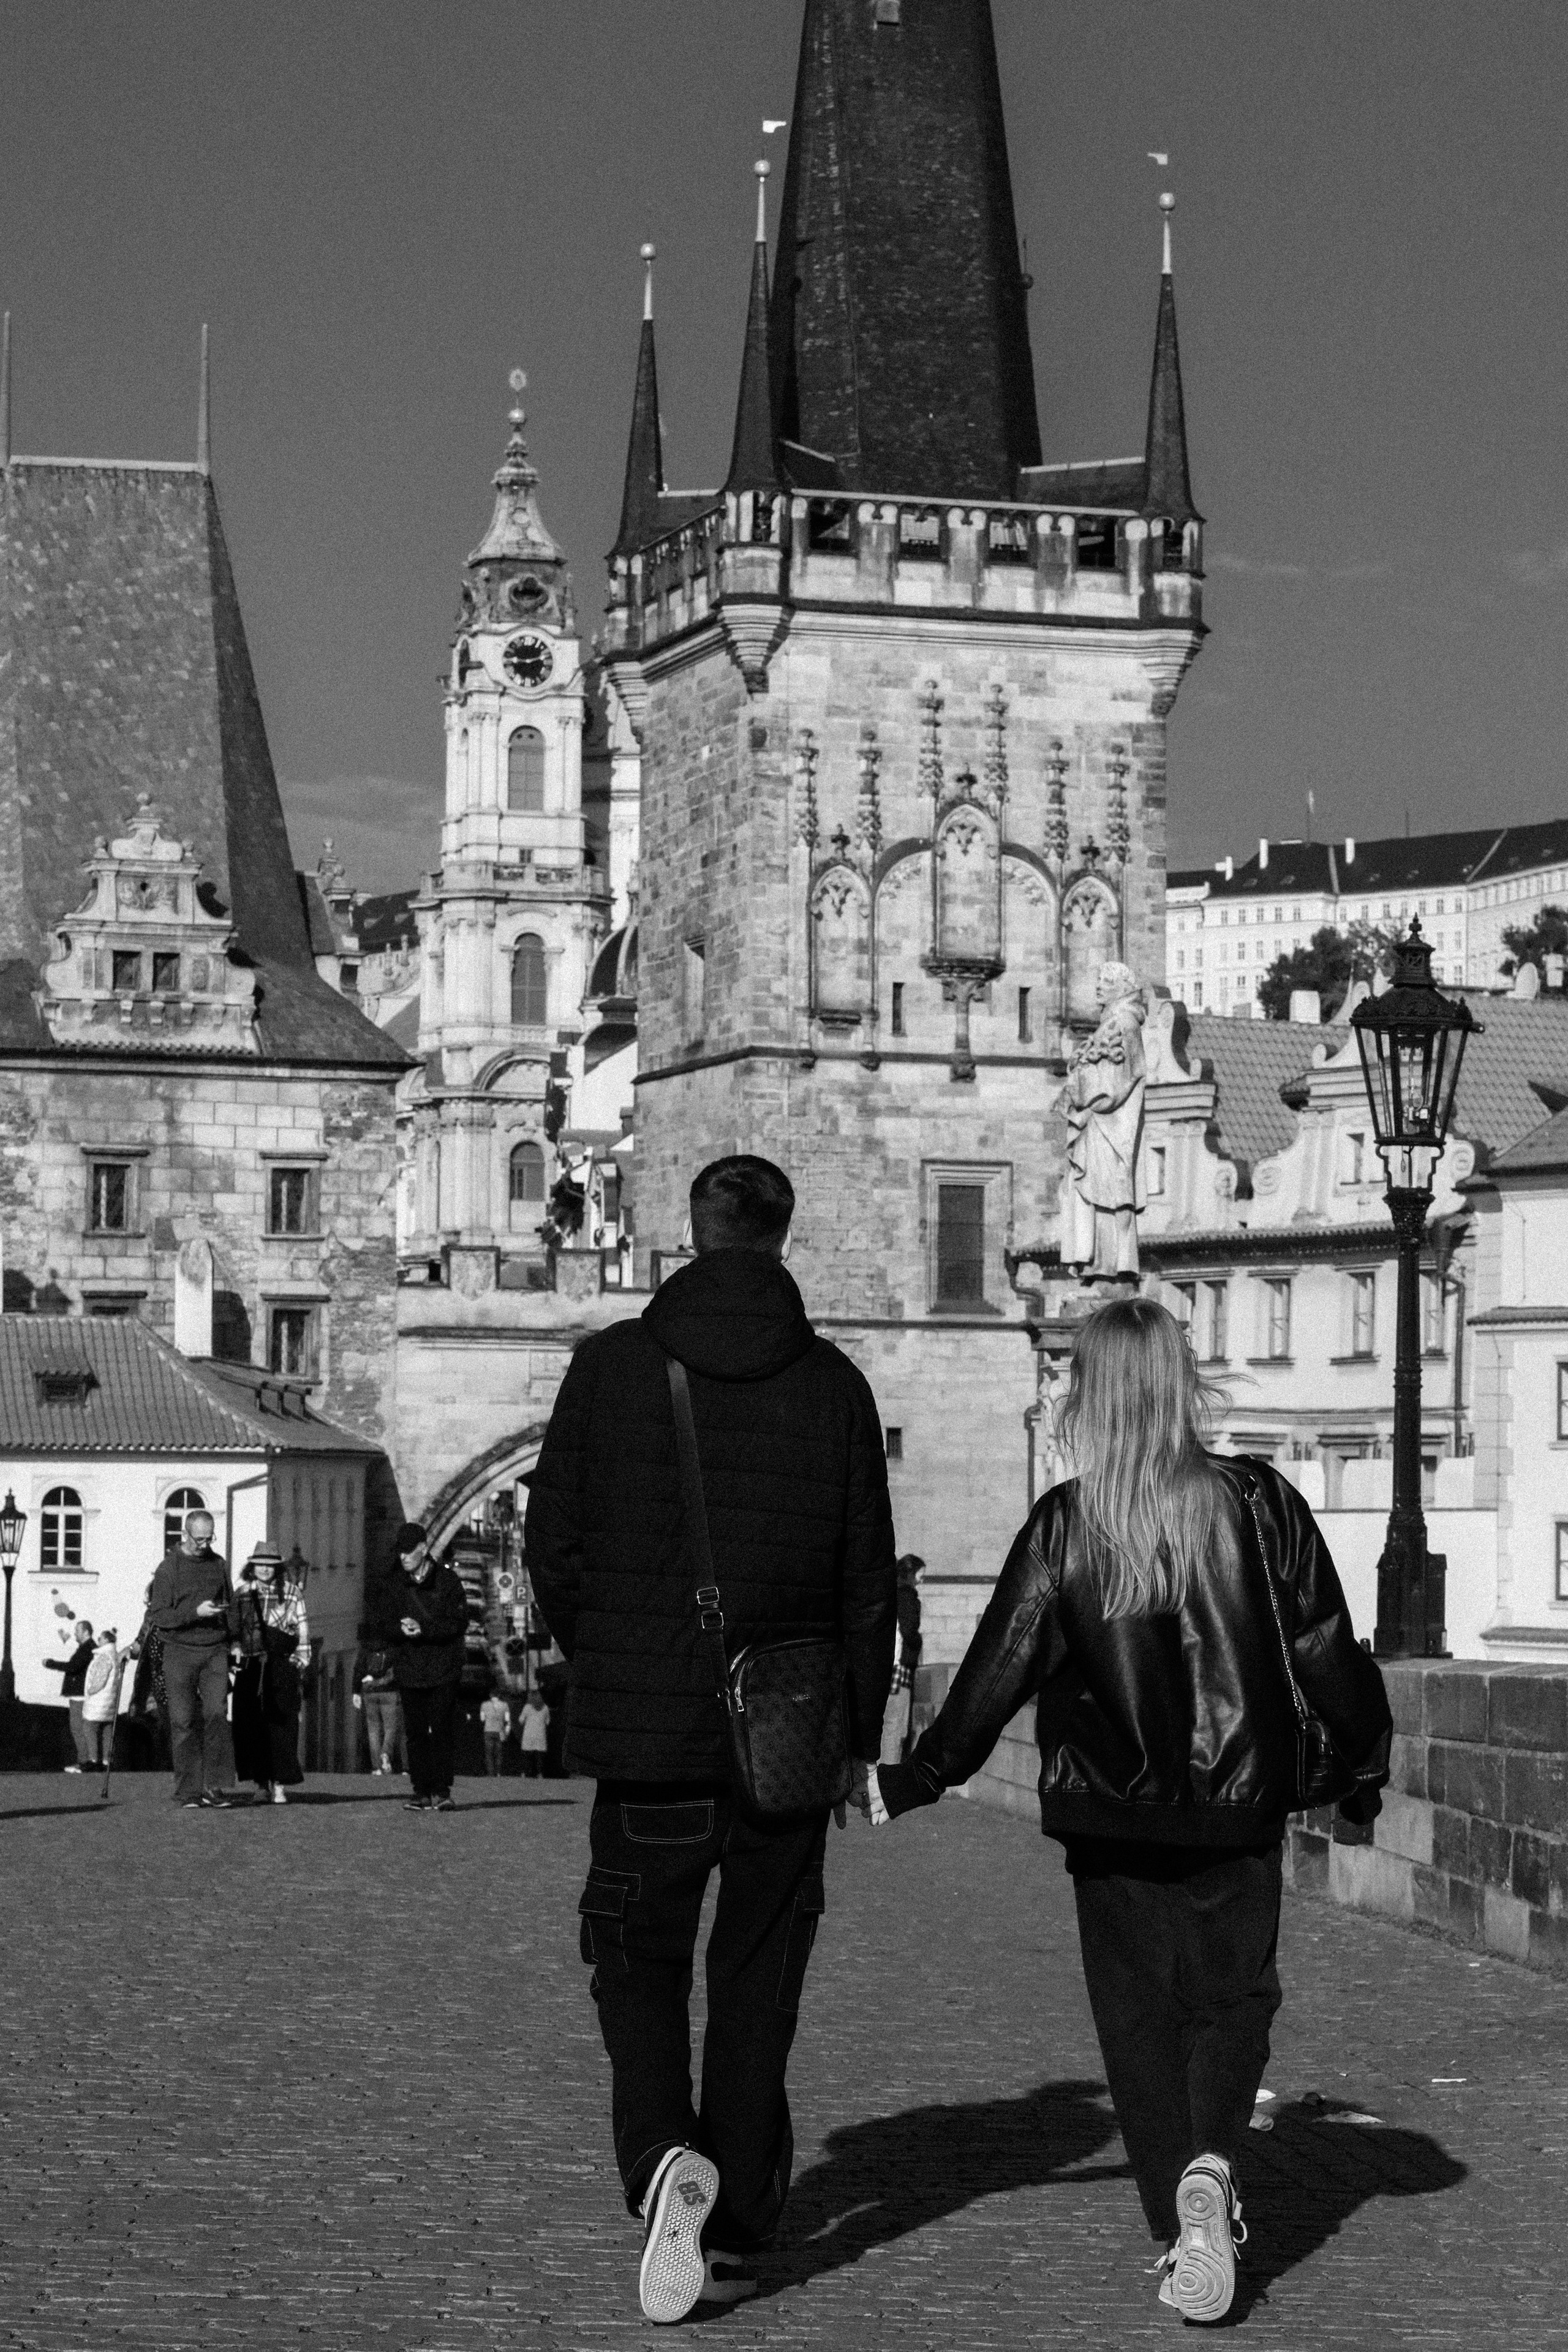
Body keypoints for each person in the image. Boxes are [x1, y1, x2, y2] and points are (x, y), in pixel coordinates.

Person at [872, 1297, 1392, 2325]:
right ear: (1180, 1383)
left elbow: (999, 1667)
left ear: (1089, 1397)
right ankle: (1211, 2161)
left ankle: (1181, 2216)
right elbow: (1326, 1647)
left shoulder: (1067, 1521)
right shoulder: (1257, 1503)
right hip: (1237, 1802)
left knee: (1137, 2016)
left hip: (1107, 1816)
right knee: (1233, 2000)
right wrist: (1363, 1765)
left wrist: (920, 1775)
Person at [526, 1153, 897, 2324]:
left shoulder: (607, 1369)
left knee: (633, 1959)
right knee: (757, 1975)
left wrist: (610, 1661)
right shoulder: (836, 1386)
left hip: (648, 1742)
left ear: (689, 1229)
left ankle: (660, 2163)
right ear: (787, 1235)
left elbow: (552, 1547)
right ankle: (733, 2221)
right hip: (784, 1741)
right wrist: (857, 1736)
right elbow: (866, 1586)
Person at [146, 1509, 239, 1809]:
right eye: (199, 1539)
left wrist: (234, 1640)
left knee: (216, 1715)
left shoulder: (218, 1564)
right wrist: (194, 1613)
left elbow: (232, 1603)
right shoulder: (168, 1569)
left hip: (214, 1650)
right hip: (179, 1652)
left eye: (209, 1538)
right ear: (185, 1534)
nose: (204, 1544)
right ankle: (189, 1791)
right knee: (183, 1721)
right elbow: (158, 1616)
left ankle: (215, 1787)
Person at [375, 1523, 469, 1812]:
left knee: (440, 1728)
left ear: (424, 1549)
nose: (403, 1557)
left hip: (443, 1668)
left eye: (408, 1551)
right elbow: (381, 1624)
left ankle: (441, 1791)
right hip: (410, 1668)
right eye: (399, 1552)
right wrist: (401, 1630)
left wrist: (424, 1628)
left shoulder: (448, 1582)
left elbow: (458, 1623)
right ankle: (420, 1791)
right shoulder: (393, 1584)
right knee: (415, 1732)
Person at [231, 1544, 311, 1804]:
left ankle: (280, 1782)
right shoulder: (242, 1594)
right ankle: (260, 1782)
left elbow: (302, 1628)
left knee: (282, 1725)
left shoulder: (292, 1593)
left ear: (277, 1567)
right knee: (251, 1725)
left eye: (269, 1564)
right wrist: (234, 1652)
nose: (264, 1569)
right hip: (251, 1666)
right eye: (259, 1564)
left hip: (280, 1666)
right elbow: (233, 1630)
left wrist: (300, 1659)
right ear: (252, 1567)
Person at [879, 1556, 924, 1767]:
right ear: (911, 1575)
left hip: (885, 1666)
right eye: (920, 1576)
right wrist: (918, 1640)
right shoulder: (907, 1597)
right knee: (895, 1728)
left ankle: (880, 1774)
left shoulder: (889, 1595)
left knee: (888, 1725)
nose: (921, 1581)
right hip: (900, 1668)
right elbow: (909, 1631)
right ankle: (888, 1777)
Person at [43, 1620, 95, 1772]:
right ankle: (87, 1761)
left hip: (79, 1696)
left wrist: (51, 1664)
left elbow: (72, 1667)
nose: (75, 1634)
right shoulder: (88, 1648)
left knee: (78, 1728)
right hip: (81, 1695)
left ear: (86, 1632)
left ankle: (84, 1762)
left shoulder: (87, 1649)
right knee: (82, 1729)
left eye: (78, 1631)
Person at [352, 1629, 404, 1774]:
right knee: (390, 1728)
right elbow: (398, 1672)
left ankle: (376, 1767)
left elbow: (358, 1670)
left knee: (373, 1729)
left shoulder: (365, 1650)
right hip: (390, 1692)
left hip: (369, 1693)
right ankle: (386, 1754)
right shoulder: (393, 1650)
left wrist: (356, 1692)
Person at [80, 1628, 130, 1770]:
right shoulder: (115, 1655)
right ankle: (107, 1761)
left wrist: (90, 1690)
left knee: (90, 1728)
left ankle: (93, 1760)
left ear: (107, 1640)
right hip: (110, 1701)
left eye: (100, 1638)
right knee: (107, 1730)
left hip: (98, 1701)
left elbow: (99, 1679)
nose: (98, 1641)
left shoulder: (104, 1656)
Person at [517, 1691, 549, 1778]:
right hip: (540, 1735)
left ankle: (524, 1773)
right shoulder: (545, 1707)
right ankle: (540, 1774)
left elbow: (521, 1720)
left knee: (527, 1756)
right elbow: (548, 1722)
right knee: (540, 1756)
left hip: (529, 1734)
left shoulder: (527, 1707)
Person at [480, 1689, 511, 1777]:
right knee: (499, 1753)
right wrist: (507, 1732)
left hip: (488, 1730)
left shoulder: (484, 1705)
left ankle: (490, 1773)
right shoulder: (505, 1705)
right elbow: (507, 1720)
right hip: (500, 1731)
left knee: (489, 1753)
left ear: (490, 1695)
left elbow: (482, 1719)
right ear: (499, 1695)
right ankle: (498, 1773)